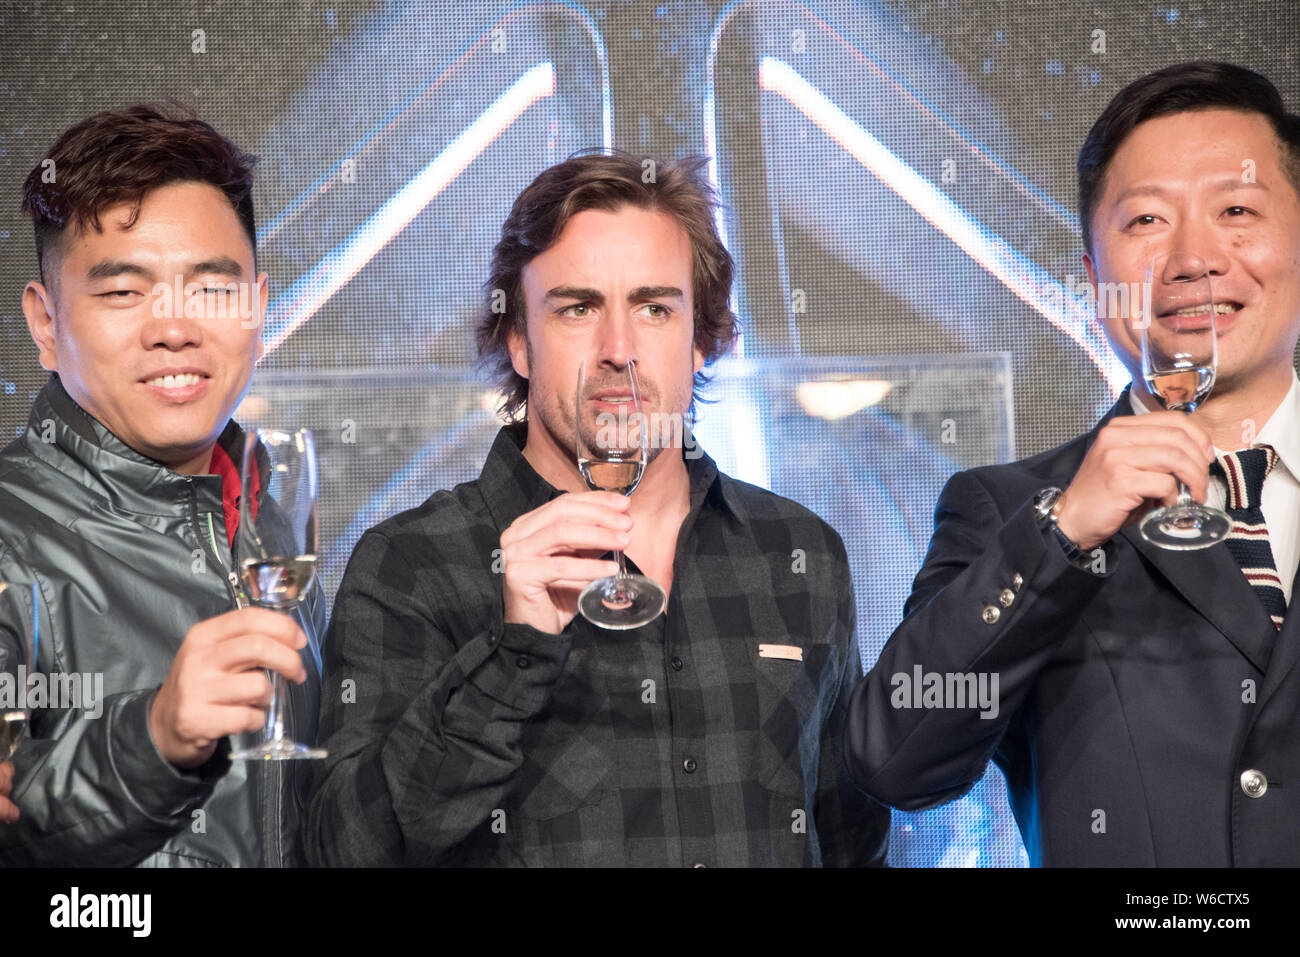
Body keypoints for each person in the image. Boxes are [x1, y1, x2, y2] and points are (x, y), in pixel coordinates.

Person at [306, 150, 889, 866]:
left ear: (701, 337)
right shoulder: (413, 565)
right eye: (578, 308)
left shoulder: (800, 557)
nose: (619, 349)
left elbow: (855, 846)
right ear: (518, 337)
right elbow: (344, 852)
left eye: (653, 307)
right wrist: (512, 655)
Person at [846, 61, 1300, 866]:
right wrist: (1061, 534)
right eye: (1148, 222)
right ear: (1094, 278)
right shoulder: (1007, 509)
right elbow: (896, 755)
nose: (1194, 257)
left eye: (1236, 210)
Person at [0, 104, 323, 866]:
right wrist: (154, 738)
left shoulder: (267, 525)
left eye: (211, 288)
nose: (173, 328)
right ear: (45, 325)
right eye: (122, 292)